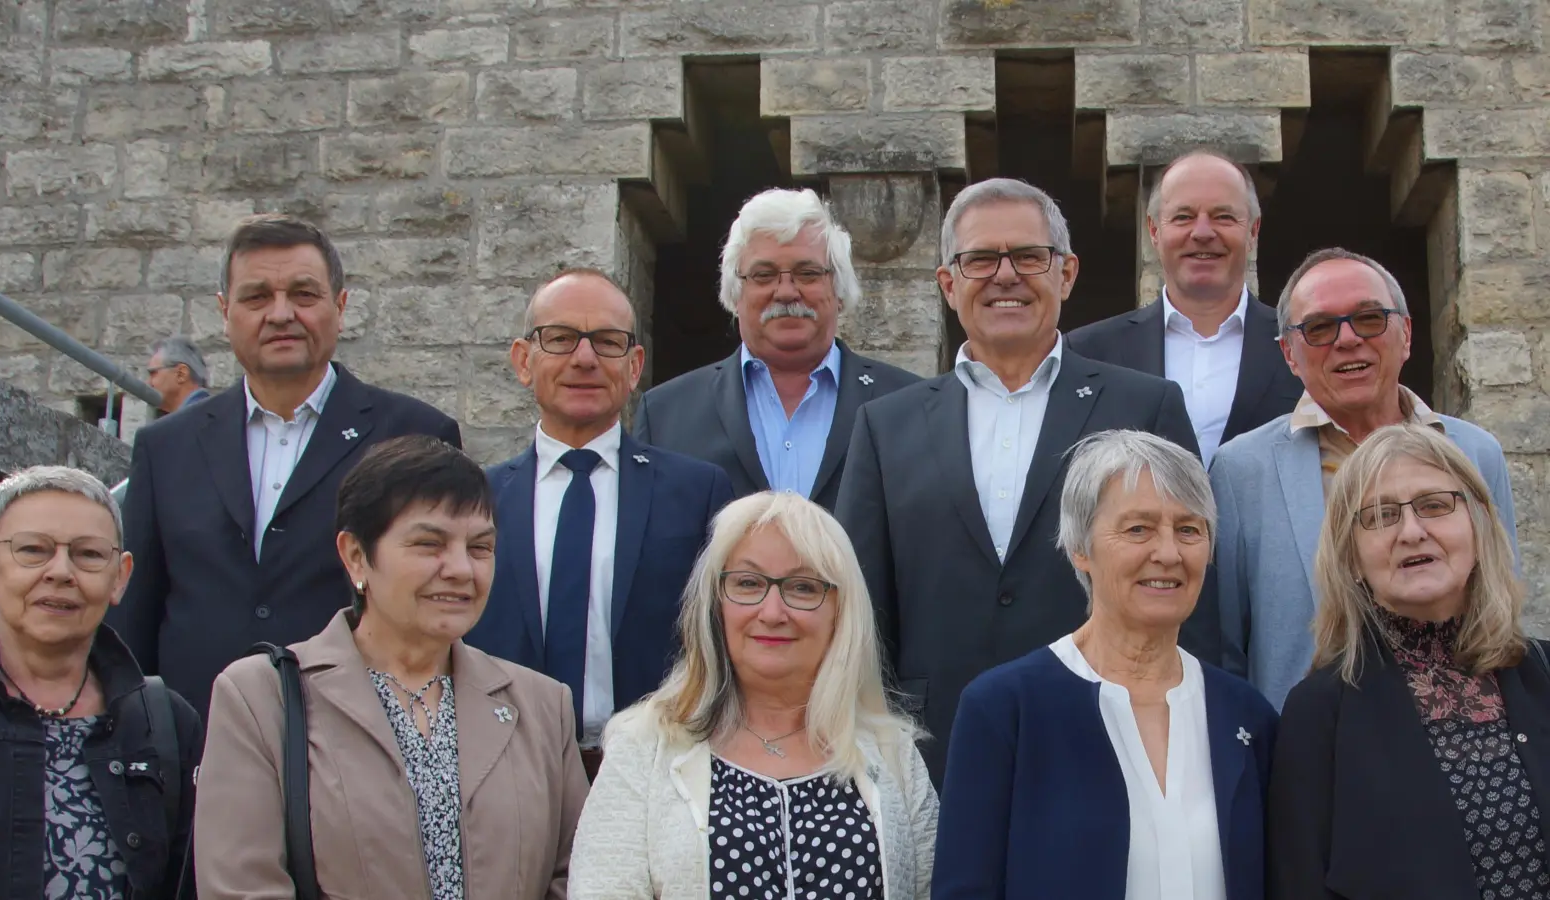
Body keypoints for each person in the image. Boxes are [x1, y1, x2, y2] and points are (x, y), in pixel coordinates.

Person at [836, 177, 1202, 782]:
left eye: (1029, 256)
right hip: (931, 751)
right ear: (948, 284)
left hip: (1114, 738)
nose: (1006, 275)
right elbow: (861, 607)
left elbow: (1190, 582)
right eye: (980, 258)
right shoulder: (883, 427)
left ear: (1067, 274)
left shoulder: (1146, 407)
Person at [196, 436, 587, 900]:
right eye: (429, 544)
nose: (462, 569)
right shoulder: (262, 698)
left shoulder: (540, 705)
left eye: (480, 548)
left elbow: (582, 876)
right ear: (356, 555)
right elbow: (242, 887)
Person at [109, 213, 463, 716]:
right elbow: (136, 613)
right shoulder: (165, 447)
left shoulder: (416, 435)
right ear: (224, 310)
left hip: (363, 740)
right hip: (199, 746)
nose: (280, 314)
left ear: (340, 307)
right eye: (257, 297)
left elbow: (440, 606)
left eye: (303, 294)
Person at [933, 431, 1275, 900]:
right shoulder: (1004, 709)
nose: (1169, 553)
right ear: (1080, 547)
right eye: (1138, 529)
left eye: (1189, 530)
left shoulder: (1247, 715)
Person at [568, 491, 938, 898]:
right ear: (715, 604)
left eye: (802, 587)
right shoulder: (644, 748)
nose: (773, 611)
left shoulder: (894, 756)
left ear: (841, 610)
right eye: (748, 583)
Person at [1210, 247, 1518, 706]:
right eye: (1319, 328)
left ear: (1407, 333)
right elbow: (1226, 650)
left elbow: (1501, 605)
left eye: (1369, 318)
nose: (1348, 339)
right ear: (1290, 355)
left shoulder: (1475, 454)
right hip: (1307, 756)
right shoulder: (1240, 471)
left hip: (1460, 741)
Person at [468, 268, 733, 780]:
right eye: (562, 339)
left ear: (634, 367)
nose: (584, 359)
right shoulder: (477, 499)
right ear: (524, 361)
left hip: (656, 768)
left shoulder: (696, 492)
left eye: (607, 342)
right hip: (503, 768)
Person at [1268, 424, 1546, 900]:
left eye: (1435, 506)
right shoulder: (1319, 713)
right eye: (1380, 516)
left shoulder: (1541, 671)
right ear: (1351, 557)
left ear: (1478, 526)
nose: (1411, 532)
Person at [0, 466, 202, 900]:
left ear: (120, 576)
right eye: (33, 550)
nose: (61, 572)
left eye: (88, 555)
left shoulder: (166, 724)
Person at [633, 188, 920, 510]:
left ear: (838, 289)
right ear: (734, 294)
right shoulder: (665, 415)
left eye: (808, 273)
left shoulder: (909, 407)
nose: (785, 292)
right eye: (764, 275)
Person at [1066, 149, 1302, 467]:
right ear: (1154, 231)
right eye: (1183, 217)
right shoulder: (1086, 353)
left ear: (1253, 231)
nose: (1202, 232)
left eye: (1223, 217)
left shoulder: (1305, 345)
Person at [145, 334, 212, 414]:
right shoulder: (211, 413)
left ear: (181, 374)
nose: (148, 383)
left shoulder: (196, 419)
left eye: (153, 373)